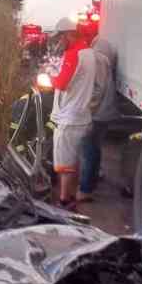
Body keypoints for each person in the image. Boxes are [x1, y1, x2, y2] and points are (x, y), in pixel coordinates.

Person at [49, 17, 97, 208]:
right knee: (75, 159)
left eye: (61, 37)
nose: (59, 41)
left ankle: (64, 200)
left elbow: (61, 83)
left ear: (69, 34)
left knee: (64, 161)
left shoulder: (73, 54)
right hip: (83, 115)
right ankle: (71, 196)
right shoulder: (89, 52)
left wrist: (49, 78)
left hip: (70, 117)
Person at [78, 35, 119, 201]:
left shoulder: (98, 61)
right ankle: (93, 179)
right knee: (95, 148)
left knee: (88, 150)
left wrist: (87, 110)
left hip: (96, 114)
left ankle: (86, 189)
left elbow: (97, 90)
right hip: (106, 114)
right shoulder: (108, 62)